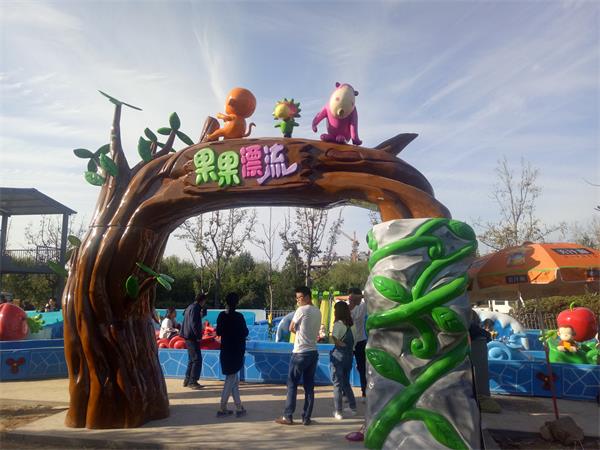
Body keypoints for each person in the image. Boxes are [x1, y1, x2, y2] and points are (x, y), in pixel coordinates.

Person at [275, 286, 321, 426]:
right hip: (313, 352)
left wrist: (300, 334)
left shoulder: (301, 310)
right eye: (297, 298)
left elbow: (291, 328)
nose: (297, 301)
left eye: (299, 298)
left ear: (307, 297)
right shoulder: (318, 311)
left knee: (292, 385)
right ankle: (306, 418)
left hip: (300, 352)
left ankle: (288, 416)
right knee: (309, 386)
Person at [216, 292, 249, 418]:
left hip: (226, 350)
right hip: (237, 351)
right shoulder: (239, 317)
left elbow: (219, 331)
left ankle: (239, 406)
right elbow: (245, 332)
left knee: (233, 379)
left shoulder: (222, 316)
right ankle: (222, 407)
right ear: (237, 303)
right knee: (231, 379)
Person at [330, 300, 357, 419]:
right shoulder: (353, 325)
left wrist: (338, 343)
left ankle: (338, 411)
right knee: (346, 383)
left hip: (338, 356)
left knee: (337, 384)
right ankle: (353, 407)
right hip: (349, 356)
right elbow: (355, 342)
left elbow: (334, 338)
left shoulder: (338, 325)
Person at [181, 293, 207, 390]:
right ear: (202, 301)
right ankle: (193, 381)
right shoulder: (196, 308)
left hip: (187, 335)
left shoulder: (190, 307)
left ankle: (187, 380)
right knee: (197, 359)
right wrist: (198, 336)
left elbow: (186, 316)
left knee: (192, 359)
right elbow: (194, 323)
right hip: (192, 337)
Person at [348, 287, 367, 398]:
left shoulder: (363, 305)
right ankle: (345, 392)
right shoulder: (345, 307)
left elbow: (369, 295)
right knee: (346, 367)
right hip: (349, 342)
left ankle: (364, 391)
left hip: (360, 341)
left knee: (362, 367)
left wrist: (359, 297)